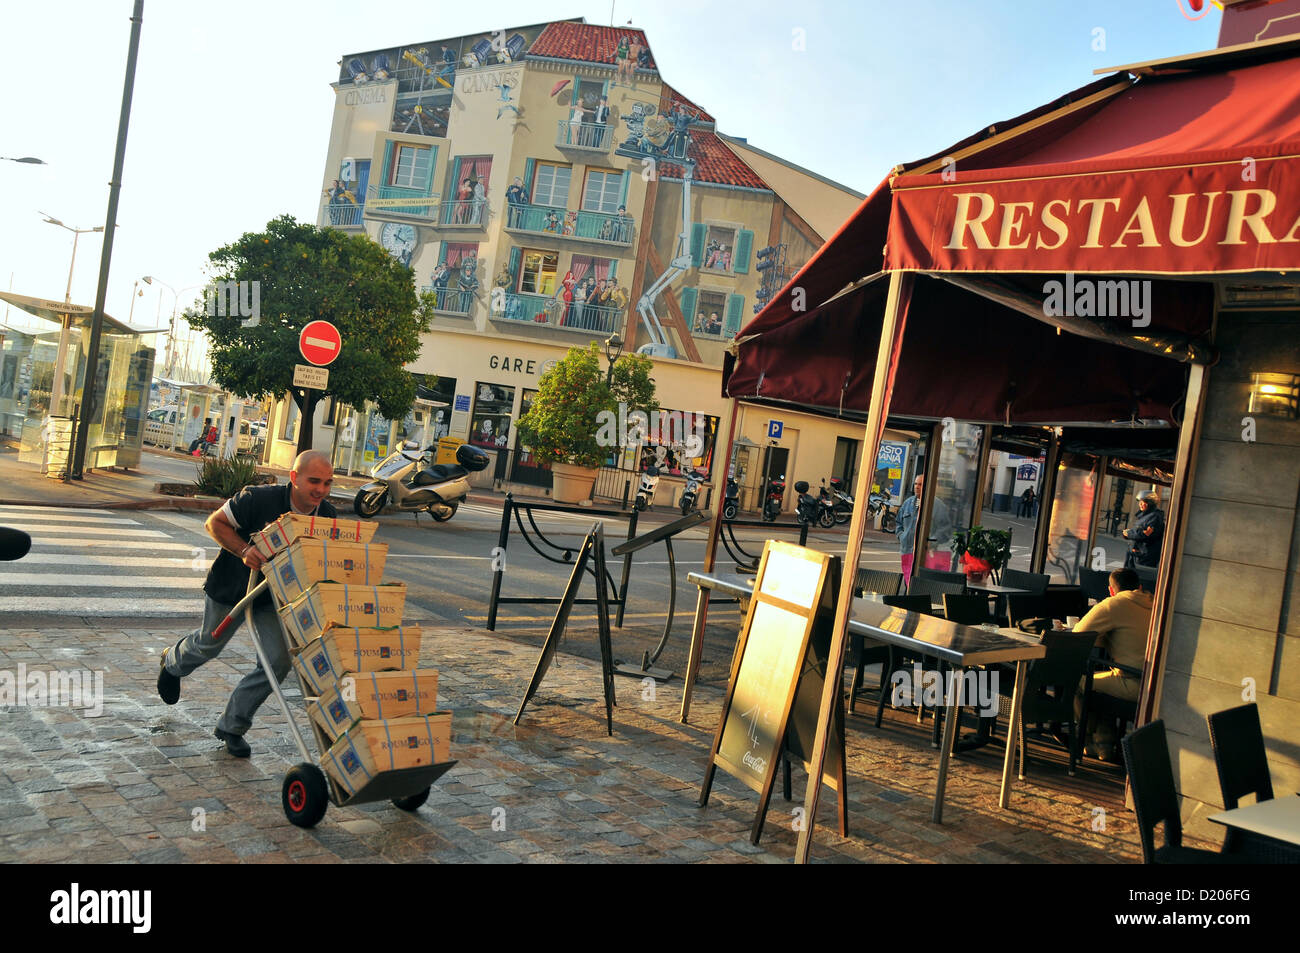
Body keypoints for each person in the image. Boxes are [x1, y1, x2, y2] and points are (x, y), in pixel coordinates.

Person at [155, 451, 338, 757]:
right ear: (294, 478)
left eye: (327, 483)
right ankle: (172, 662)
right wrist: (244, 550)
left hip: (273, 598)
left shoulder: (327, 517)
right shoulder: (258, 499)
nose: (320, 489)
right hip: (232, 586)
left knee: (277, 662)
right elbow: (215, 523)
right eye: (314, 481)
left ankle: (232, 726)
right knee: (209, 645)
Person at [1073, 567, 1153, 759]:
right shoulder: (1154, 602)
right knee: (1105, 679)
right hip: (1155, 684)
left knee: (1077, 681)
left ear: (1111, 590)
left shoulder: (1114, 603)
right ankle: (1104, 743)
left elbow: (1079, 634)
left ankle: (1088, 740)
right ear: (1139, 587)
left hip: (1133, 684)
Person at [1123, 490, 1165, 568]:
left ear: (1150, 503)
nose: (1140, 504)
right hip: (1136, 554)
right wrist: (1128, 533)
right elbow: (1139, 531)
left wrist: (1129, 534)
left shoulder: (1154, 517)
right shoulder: (1145, 515)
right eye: (1139, 502)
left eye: (1143, 502)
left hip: (1144, 557)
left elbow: (1146, 534)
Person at [897, 475, 925, 582]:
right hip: (907, 551)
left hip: (923, 554)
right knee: (907, 582)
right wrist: (901, 536)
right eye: (916, 484)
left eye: (920, 484)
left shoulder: (934, 504)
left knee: (918, 585)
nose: (917, 487)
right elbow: (898, 522)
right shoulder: (907, 503)